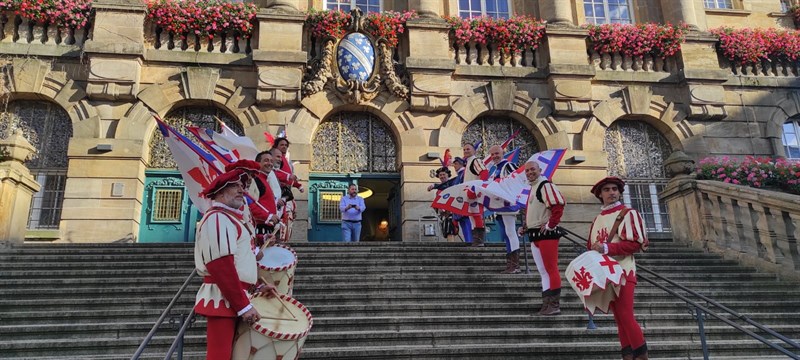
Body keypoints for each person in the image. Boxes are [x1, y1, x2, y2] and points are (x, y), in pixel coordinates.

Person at [193, 161, 276, 360]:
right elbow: (220, 265)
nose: (241, 190)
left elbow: (240, 262)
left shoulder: (231, 219)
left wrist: (256, 287)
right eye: (234, 186)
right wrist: (242, 305)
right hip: (224, 296)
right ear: (220, 192)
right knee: (219, 356)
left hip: (236, 295)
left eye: (242, 186)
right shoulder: (217, 218)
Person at [588, 176, 650, 360]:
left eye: (614, 189)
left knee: (625, 315)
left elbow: (635, 244)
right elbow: (590, 248)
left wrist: (608, 248)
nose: (611, 192)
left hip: (623, 271)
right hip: (605, 274)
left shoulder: (628, 213)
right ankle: (628, 356)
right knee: (620, 319)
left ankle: (641, 356)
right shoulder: (597, 219)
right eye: (606, 190)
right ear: (600, 194)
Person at [519, 161, 566, 315]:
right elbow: (538, 212)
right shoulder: (534, 187)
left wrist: (551, 225)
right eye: (527, 171)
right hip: (536, 235)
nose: (529, 172)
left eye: (532, 169)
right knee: (543, 271)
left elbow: (558, 206)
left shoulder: (545, 185)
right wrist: (526, 226)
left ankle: (554, 305)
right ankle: (547, 304)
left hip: (546, 235)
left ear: (540, 170)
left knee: (550, 269)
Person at [487, 145, 522, 274]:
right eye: (492, 154)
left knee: (510, 232)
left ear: (503, 153)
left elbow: (518, 180)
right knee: (506, 234)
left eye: (497, 153)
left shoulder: (508, 166)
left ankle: (515, 265)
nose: (494, 156)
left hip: (507, 204)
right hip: (499, 205)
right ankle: (511, 264)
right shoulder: (495, 169)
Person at [462, 143, 488, 246]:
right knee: (472, 216)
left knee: (476, 215)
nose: (466, 151)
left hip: (474, 193)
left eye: (468, 149)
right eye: (464, 149)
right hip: (469, 194)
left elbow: (484, 173)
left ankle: (479, 241)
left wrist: (477, 188)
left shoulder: (475, 160)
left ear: (474, 150)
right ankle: (476, 240)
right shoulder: (468, 163)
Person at [250, 151, 279, 239]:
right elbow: (249, 204)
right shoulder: (255, 180)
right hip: (260, 230)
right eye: (266, 160)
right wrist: (267, 216)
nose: (270, 163)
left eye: (271, 161)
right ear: (257, 163)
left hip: (268, 229)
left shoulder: (265, 181)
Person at [427, 166, 459, 242]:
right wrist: (438, 209)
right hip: (443, 214)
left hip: (451, 212)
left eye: (444, 174)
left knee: (450, 230)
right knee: (446, 231)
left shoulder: (452, 185)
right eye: (440, 175)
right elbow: (437, 201)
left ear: (448, 175)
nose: (442, 176)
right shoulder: (438, 189)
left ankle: (451, 246)